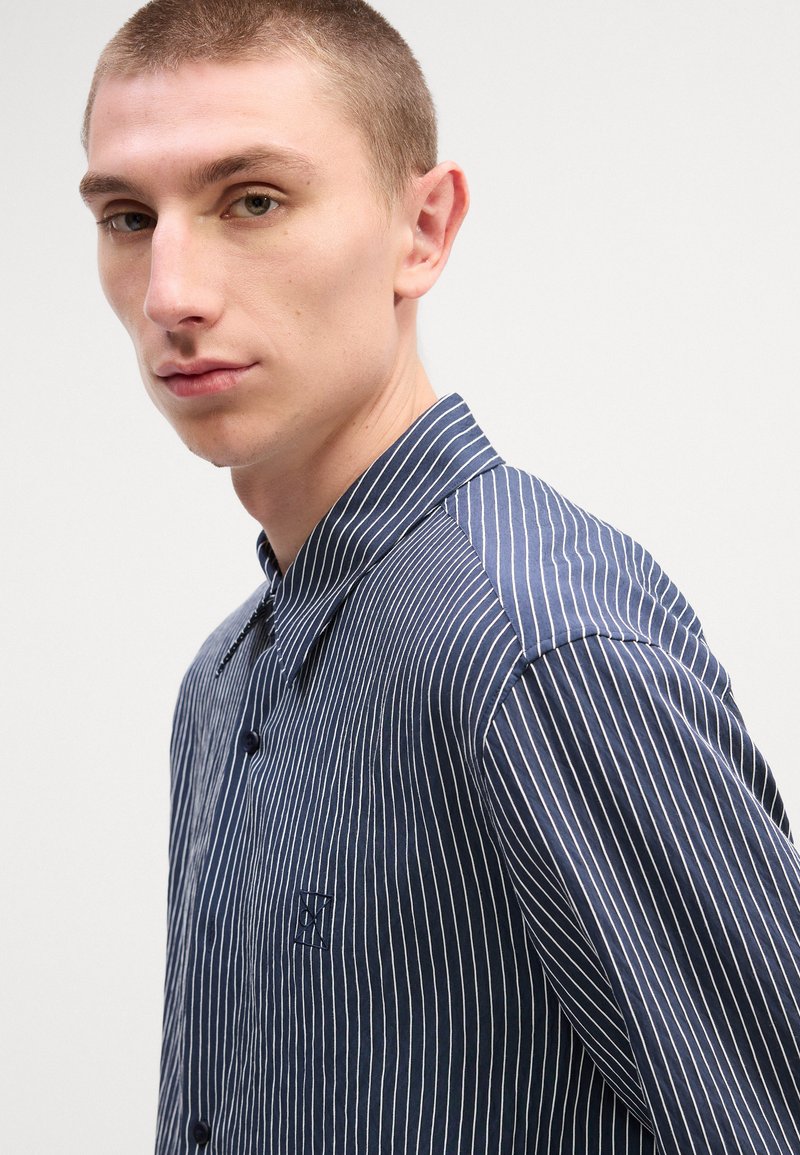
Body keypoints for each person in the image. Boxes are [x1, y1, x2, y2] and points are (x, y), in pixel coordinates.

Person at [80, 1, 800, 1151]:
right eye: (128, 217)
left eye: (252, 201)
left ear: (422, 228)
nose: (171, 295)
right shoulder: (220, 683)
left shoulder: (534, 646)